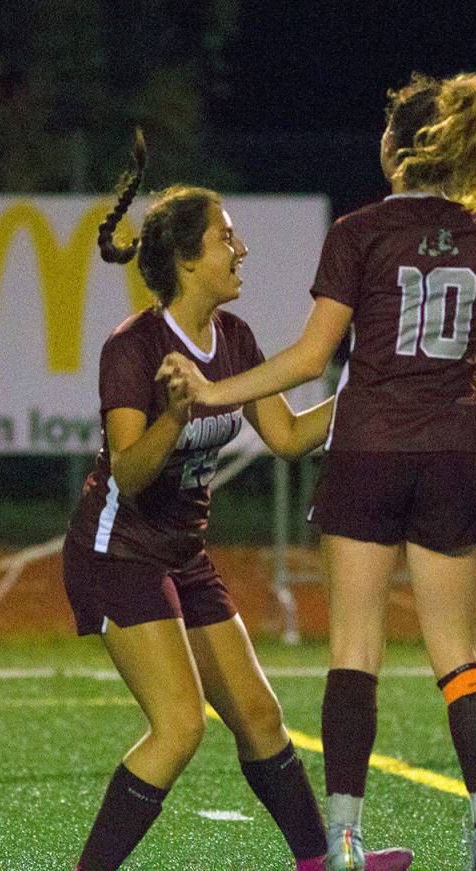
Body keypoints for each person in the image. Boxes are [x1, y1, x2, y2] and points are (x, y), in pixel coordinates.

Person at [159, 72, 476, 871]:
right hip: (451, 452)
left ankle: (345, 838)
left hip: (367, 450)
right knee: (459, 651)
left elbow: (312, 355)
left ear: (399, 147)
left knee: (354, 647)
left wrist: (215, 389)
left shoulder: (360, 233)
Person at [63, 132, 411, 871]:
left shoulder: (236, 338)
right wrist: (178, 414)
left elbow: (285, 435)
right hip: (116, 551)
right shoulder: (132, 348)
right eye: (226, 237)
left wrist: (372, 395)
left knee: (258, 716)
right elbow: (127, 472)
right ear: (189, 259)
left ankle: (320, 862)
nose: (240, 249)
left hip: (181, 555)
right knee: (180, 725)